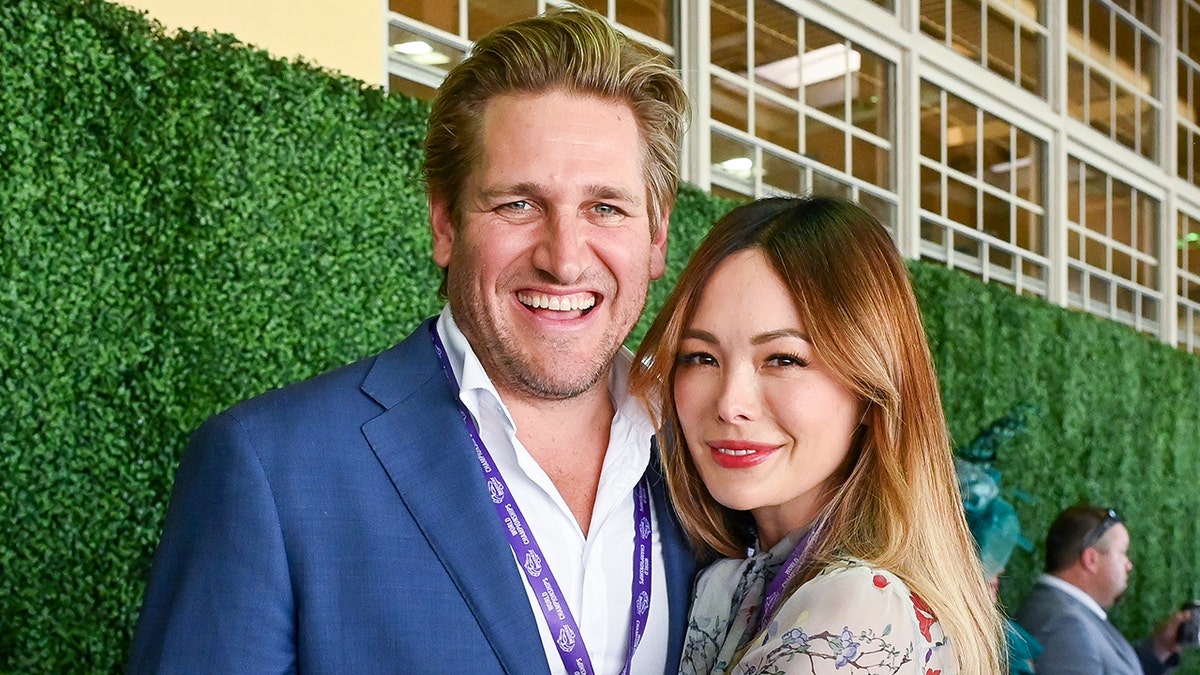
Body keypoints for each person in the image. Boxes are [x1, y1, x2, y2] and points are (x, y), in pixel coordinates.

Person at [128, 8, 695, 673]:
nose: (565, 259)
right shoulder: (271, 470)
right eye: (518, 203)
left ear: (656, 236)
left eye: (606, 207)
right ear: (444, 222)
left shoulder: (707, 464)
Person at [630, 196, 1005, 674]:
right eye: (701, 357)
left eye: (783, 359)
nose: (730, 403)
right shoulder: (739, 577)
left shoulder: (859, 611)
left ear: (872, 393)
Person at [1015, 504, 1192, 675]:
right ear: (1091, 559)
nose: (1129, 564)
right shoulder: (1065, 626)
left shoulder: (1064, 612)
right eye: (1122, 552)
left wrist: (1159, 648)